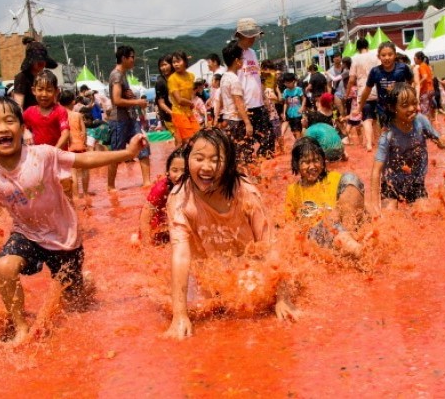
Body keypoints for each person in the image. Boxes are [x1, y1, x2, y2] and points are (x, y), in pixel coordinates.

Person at [0, 96, 147, 344]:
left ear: (22, 127)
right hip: (27, 235)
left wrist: (127, 152)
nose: (3, 128)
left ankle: (84, 282)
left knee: (76, 304)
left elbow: (84, 160)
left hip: (65, 238)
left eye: (9, 121)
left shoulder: (43, 155)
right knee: (4, 266)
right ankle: (20, 327)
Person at [164, 128, 298, 339]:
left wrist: (283, 298)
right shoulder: (179, 199)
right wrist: (179, 315)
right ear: (188, 158)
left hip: (247, 266)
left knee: (249, 304)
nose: (206, 167)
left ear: (228, 164)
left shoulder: (244, 192)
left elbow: (269, 245)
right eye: (199, 158)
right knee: (196, 308)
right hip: (208, 273)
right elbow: (180, 255)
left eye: (215, 160)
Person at [370, 83, 445, 216]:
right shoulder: (388, 135)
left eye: (414, 103)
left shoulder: (421, 122)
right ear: (392, 108)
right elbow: (376, 170)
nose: (412, 108)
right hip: (391, 185)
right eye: (405, 105)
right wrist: (374, 206)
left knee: (425, 216)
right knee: (389, 218)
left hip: (415, 183)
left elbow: (440, 142)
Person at [285, 137, 366, 257]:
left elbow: (354, 204)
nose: (312, 166)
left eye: (316, 160)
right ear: (296, 165)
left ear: (323, 161)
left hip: (344, 229)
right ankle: (358, 251)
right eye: (306, 162)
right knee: (329, 224)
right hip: (317, 236)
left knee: (351, 179)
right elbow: (289, 227)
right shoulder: (293, 191)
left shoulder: (335, 178)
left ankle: (352, 244)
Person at [107, 46, 151, 190]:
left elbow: (121, 96)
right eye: (132, 57)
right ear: (124, 58)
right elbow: (117, 100)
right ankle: (110, 186)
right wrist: (137, 102)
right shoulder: (117, 75)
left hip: (130, 118)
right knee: (116, 155)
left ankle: (147, 182)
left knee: (143, 145)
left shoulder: (122, 75)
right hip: (119, 120)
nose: (134, 59)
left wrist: (131, 96)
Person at [235, 18, 274, 159]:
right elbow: (234, 83)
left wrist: (265, 98)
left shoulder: (252, 52)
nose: (253, 38)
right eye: (250, 35)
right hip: (245, 107)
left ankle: (266, 167)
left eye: (254, 35)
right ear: (240, 35)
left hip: (259, 105)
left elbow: (256, 78)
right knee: (245, 147)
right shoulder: (234, 53)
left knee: (268, 141)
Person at [359, 42, 414, 127]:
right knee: (387, 131)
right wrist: (359, 108)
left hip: (401, 108)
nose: (387, 58)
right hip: (383, 110)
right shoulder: (375, 72)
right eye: (383, 55)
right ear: (378, 56)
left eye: (390, 54)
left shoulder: (403, 68)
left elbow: (411, 82)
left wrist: (412, 100)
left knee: (404, 129)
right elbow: (367, 91)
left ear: (395, 55)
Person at [138, 148, 186, 245]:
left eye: (184, 171)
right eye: (175, 170)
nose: (179, 175)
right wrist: (146, 244)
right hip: (159, 221)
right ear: (167, 172)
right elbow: (145, 217)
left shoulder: (194, 186)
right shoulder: (161, 188)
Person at [219, 42, 253, 164]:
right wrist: (247, 123)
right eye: (242, 58)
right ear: (237, 61)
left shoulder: (224, 77)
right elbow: (238, 103)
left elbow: (221, 100)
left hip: (227, 120)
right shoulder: (234, 79)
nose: (243, 60)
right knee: (244, 156)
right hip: (236, 122)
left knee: (232, 155)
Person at [345, 38, 380, 152]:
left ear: (357, 48)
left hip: (363, 92)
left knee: (367, 119)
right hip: (377, 90)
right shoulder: (375, 56)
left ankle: (369, 143)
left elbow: (351, 80)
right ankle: (378, 141)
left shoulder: (355, 59)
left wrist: (347, 93)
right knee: (376, 119)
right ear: (367, 46)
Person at [22, 70, 69, 149]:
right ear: (34, 90)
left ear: (56, 91)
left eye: (49, 90)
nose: (44, 94)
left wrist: (54, 151)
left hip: (58, 154)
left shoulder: (60, 111)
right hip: (38, 154)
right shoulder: (29, 112)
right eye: (40, 89)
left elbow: (66, 133)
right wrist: (25, 131)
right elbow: (19, 124)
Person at [13, 37, 58, 111]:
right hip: (28, 116)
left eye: (43, 59)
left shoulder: (48, 76)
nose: (41, 62)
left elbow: (54, 102)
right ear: (30, 60)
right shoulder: (22, 77)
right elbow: (19, 105)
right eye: (37, 60)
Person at [59, 89, 89, 198]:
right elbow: (84, 132)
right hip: (79, 145)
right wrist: (84, 143)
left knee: (73, 172)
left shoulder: (60, 115)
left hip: (68, 147)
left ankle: (75, 196)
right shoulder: (77, 115)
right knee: (85, 169)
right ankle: (85, 193)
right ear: (73, 102)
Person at [167, 51, 200, 144]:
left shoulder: (191, 76)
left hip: (189, 112)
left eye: (178, 61)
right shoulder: (172, 79)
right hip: (179, 112)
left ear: (185, 61)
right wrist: (191, 103)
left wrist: (192, 104)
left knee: (198, 136)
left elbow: (191, 93)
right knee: (189, 141)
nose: (176, 64)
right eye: (174, 62)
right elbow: (179, 100)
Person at [154, 55, 179, 144]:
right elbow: (161, 103)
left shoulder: (177, 78)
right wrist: (172, 113)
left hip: (182, 113)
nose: (163, 68)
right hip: (170, 117)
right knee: (179, 140)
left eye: (165, 64)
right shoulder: (160, 82)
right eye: (161, 65)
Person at [281, 72, 306, 140]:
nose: (287, 84)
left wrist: (302, 107)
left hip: (298, 113)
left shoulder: (298, 89)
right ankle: (299, 141)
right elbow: (285, 103)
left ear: (293, 81)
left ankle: (298, 143)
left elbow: (304, 99)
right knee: (293, 131)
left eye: (288, 83)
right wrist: (284, 113)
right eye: (285, 83)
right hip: (290, 114)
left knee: (297, 130)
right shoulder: (285, 91)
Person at [413, 51, 435, 122]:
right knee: (429, 108)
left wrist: (418, 83)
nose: (414, 59)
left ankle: (426, 125)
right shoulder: (426, 65)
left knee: (424, 109)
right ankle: (430, 123)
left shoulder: (421, 66)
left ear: (419, 59)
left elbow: (425, 77)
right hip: (431, 89)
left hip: (426, 90)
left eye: (415, 58)